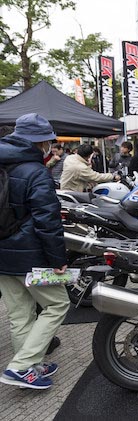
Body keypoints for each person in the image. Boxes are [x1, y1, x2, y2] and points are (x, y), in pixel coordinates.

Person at [0, 113, 70, 390]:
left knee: (20, 313)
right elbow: (47, 221)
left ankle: (31, 366)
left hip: (2, 255)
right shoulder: (36, 171)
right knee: (57, 304)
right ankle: (19, 366)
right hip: (32, 256)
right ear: (41, 141)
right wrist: (58, 260)